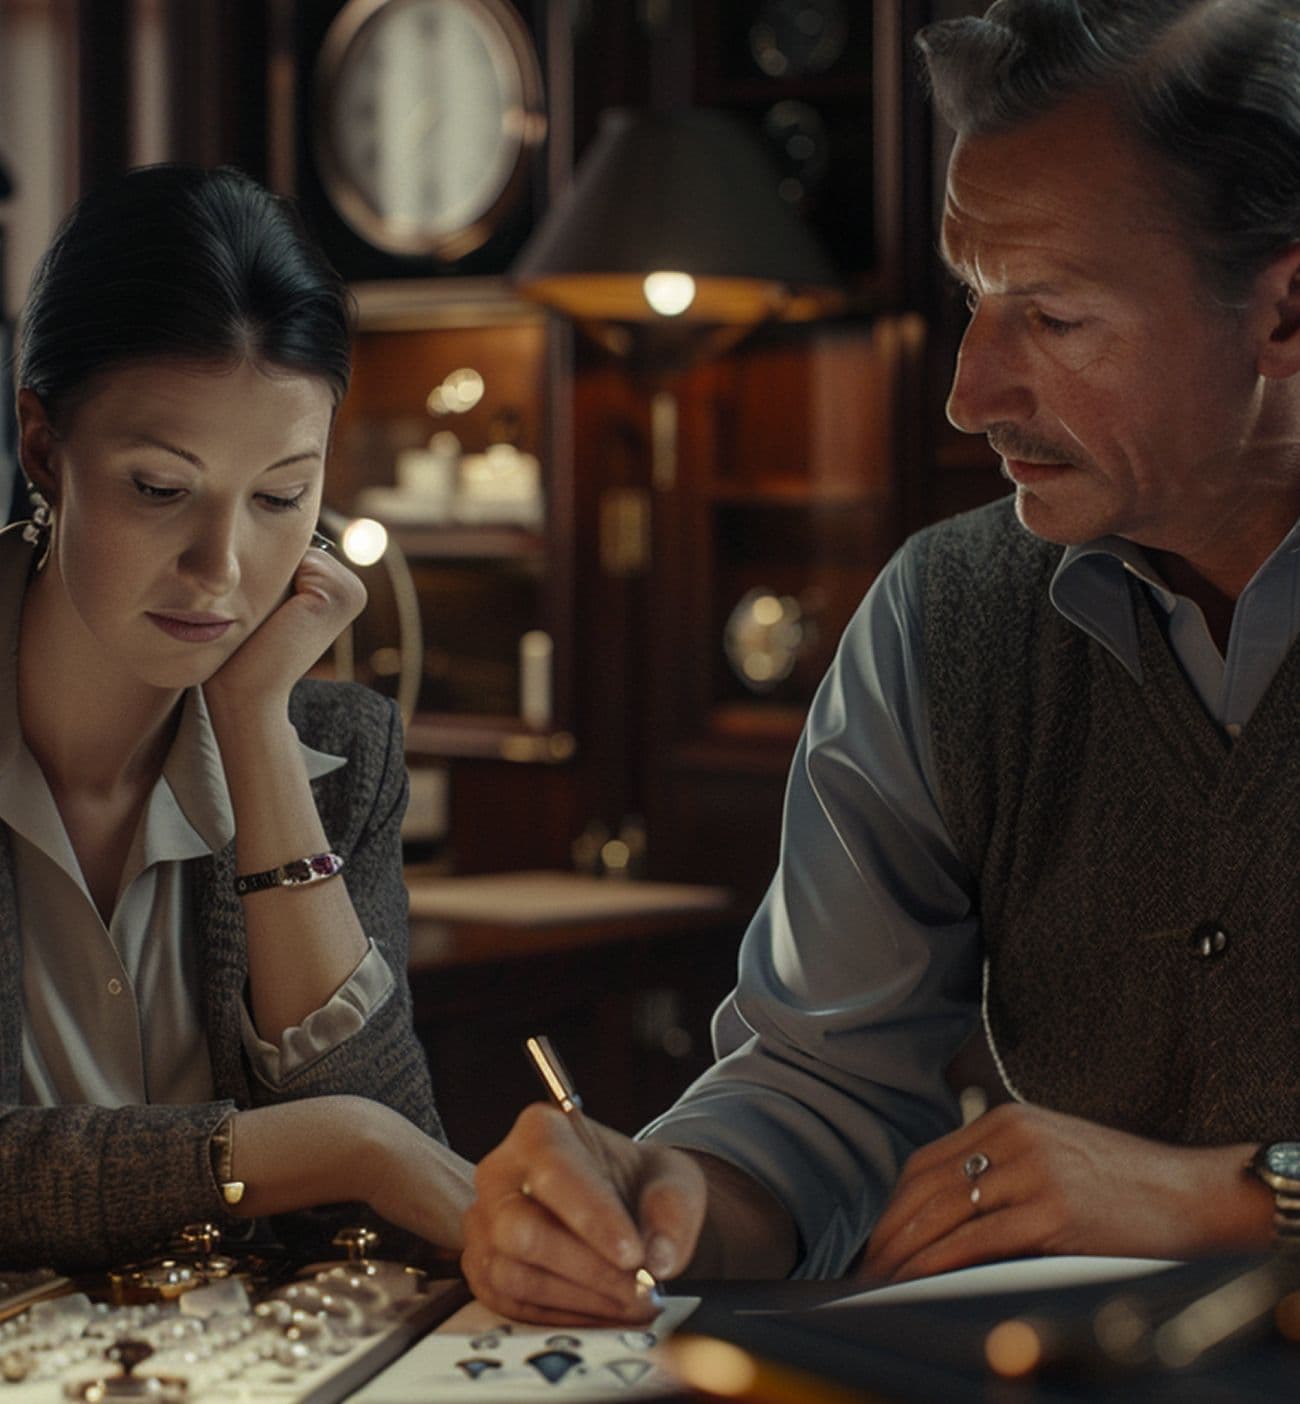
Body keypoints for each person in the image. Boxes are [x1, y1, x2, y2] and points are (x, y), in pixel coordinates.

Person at [461, 0, 1300, 1324]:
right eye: (974, 300)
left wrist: (1238, 1202)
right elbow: (822, 1091)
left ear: (1286, 310)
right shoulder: (942, 614)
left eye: (1053, 316)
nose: (970, 394)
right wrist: (670, 1193)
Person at [0, 163, 474, 1271]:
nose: (221, 568)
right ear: (43, 449)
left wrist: (257, 728)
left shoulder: (343, 752)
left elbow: (390, 1215)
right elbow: (372, 1152)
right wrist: (328, 1147)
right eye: (160, 490)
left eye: (278, 498)